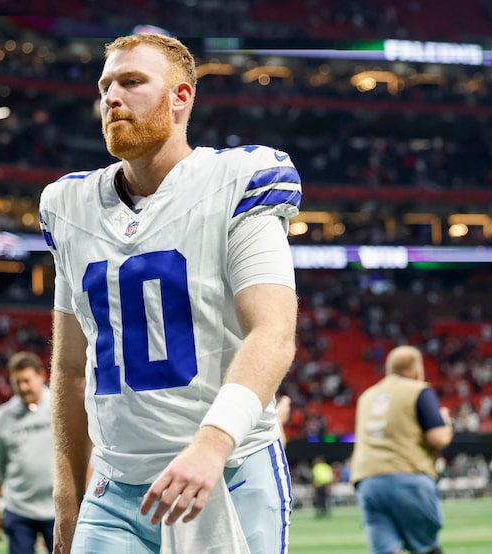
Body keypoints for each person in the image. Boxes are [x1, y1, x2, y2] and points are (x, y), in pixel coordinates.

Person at [39, 32, 300, 553]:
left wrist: (212, 443)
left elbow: (272, 332)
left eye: (132, 82)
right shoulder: (68, 206)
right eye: (105, 84)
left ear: (181, 97)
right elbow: (70, 366)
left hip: (229, 471)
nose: (111, 96)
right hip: (114, 488)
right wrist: (68, 492)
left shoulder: (239, 179)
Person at [350, 345, 453, 554]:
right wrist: (446, 422)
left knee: (386, 549)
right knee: (426, 548)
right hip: (408, 477)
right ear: (417, 369)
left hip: (368, 482)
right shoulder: (418, 390)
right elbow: (438, 438)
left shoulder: (367, 396)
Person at [0, 351, 55, 554]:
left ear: (42, 375)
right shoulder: (3, 416)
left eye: (27, 380)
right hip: (19, 508)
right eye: (17, 383)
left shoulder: (60, 406)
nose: (23, 388)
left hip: (58, 507)